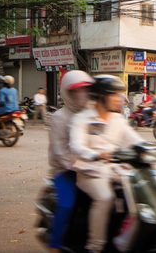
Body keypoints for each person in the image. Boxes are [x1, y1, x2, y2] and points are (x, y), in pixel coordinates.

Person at [70, 75, 156, 253]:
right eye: (114, 95)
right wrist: (96, 154)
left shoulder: (117, 119)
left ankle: (128, 238)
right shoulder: (82, 118)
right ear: (101, 96)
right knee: (105, 197)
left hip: (115, 168)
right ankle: (95, 245)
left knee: (141, 192)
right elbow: (76, 146)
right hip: (90, 171)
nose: (119, 99)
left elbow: (135, 141)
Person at [47, 70, 94, 253]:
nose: (81, 94)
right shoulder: (59, 117)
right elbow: (60, 152)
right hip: (65, 170)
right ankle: (55, 244)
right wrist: (82, 166)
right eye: (76, 91)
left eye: (85, 90)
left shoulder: (92, 113)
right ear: (68, 93)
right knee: (67, 204)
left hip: (93, 167)